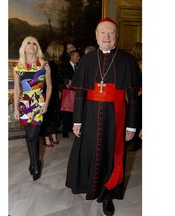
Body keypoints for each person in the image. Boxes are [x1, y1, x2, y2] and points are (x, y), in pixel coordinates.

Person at [65, 17, 142, 216]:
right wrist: (77, 120)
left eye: (111, 33)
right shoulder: (87, 60)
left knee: (111, 155)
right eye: (103, 32)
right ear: (96, 36)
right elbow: (80, 92)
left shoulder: (128, 60)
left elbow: (133, 97)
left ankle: (108, 196)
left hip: (116, 117)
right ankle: (89, 186)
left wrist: (132, 126)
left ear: (117, 35)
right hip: (90, 116)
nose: (107, 37)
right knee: (90, 152)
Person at [13, 36, 52, 181]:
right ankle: (33, 161)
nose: (31, 45)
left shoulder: (44, 64)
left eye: (34, 43)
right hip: (24, 105)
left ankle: (36, 164)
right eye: (28, 43)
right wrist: (16, 108)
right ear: (24, 46)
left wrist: (46, 103)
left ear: (37, 47)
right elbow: (17, 90)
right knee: (29, 135)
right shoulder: (18, 66)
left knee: (33, 135)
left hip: (38, 104)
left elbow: (50, 86)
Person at [40, 41, 64, 147]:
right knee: (46, 115)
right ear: (56, 51)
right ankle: (46, 137)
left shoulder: (56, 63)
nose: (62, 53)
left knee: (54, 115)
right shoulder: (46, 63)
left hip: (54, 92)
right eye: (60, 50)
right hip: (46, 91)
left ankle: (53, 135)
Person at [61, 50, 80, 138]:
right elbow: (64, 78)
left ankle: (72, 128)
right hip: (68, 93)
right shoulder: (65, 66)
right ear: (71, 57)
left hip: (76, 92)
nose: (78, 58)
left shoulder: (78, 66)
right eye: (77, 56)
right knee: (66, 112)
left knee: (74, 111)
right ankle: (65, 130)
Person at [129, 42, 142, 152]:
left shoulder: (136, 64)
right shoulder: (135, 63)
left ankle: (136, 142)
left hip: (138, 94)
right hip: (138, 93)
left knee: (137, 118)